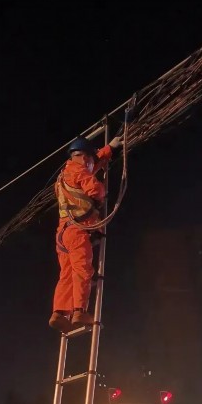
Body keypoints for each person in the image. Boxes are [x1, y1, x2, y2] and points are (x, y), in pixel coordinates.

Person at [49, 135, 123, 332]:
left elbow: (93, 165)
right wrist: (99, 196)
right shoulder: (80, 169)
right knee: (83, 271)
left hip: (62, 234)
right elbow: (96, 189)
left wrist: (109, 149)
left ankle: (59, 312)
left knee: (66, 274)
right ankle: (79, 311)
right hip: (77, 232)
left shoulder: (64, 175)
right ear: (84, 157)